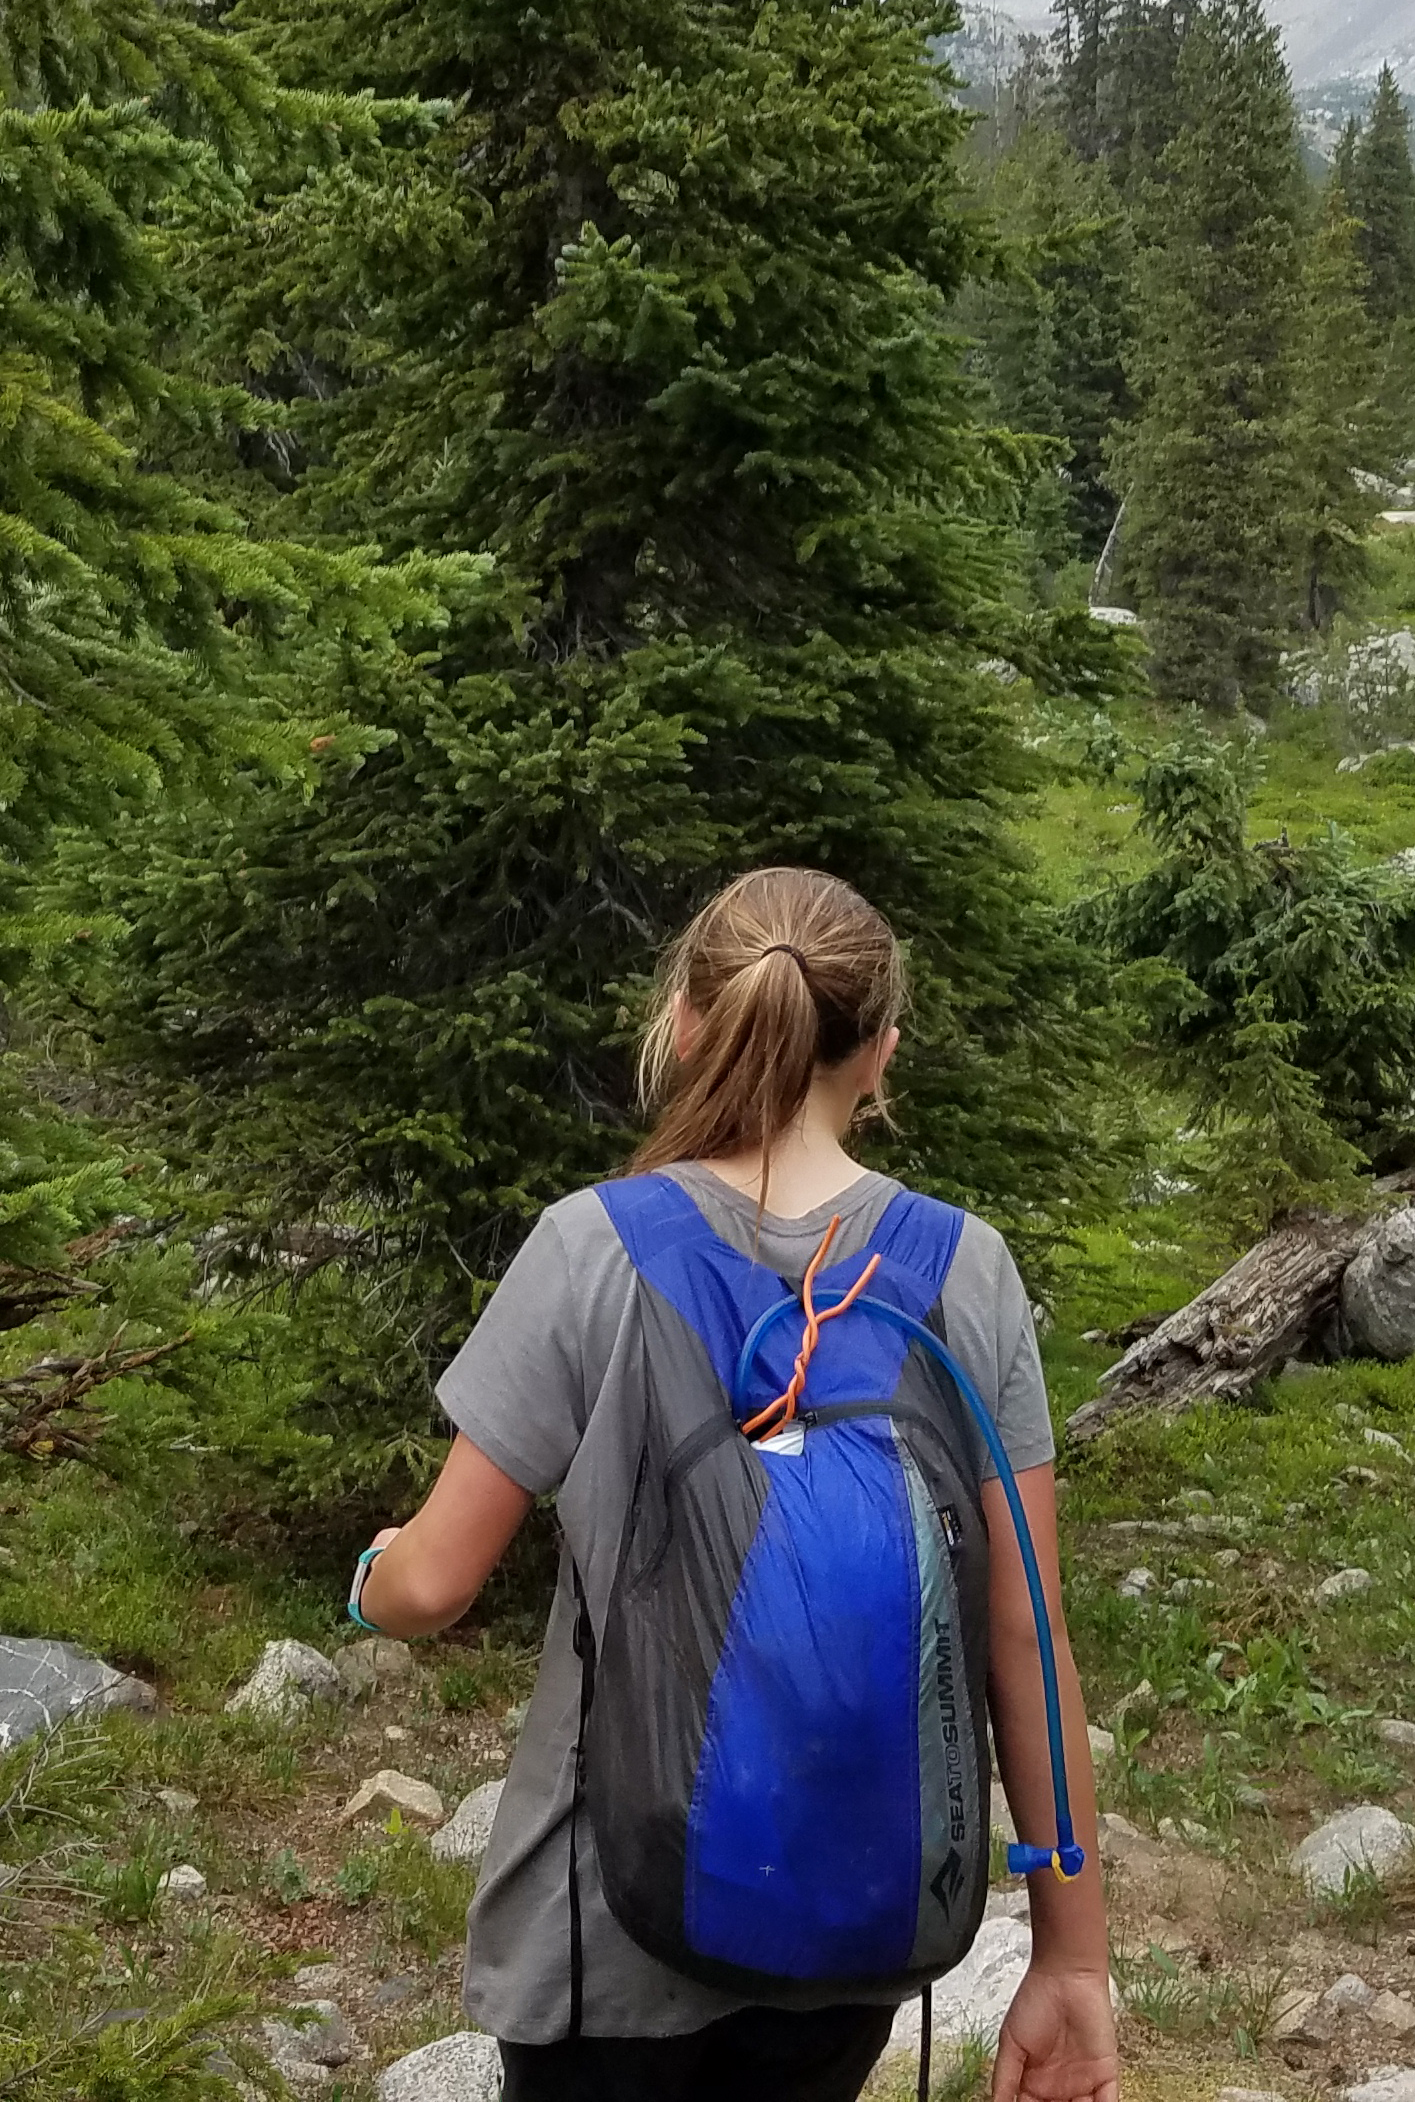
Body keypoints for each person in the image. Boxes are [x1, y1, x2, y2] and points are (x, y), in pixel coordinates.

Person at [348, 867, 1122, 2102]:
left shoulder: (591, 1247)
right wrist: (1071, 1957)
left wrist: (369, 1579)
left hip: (601, 1931)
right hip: (857, 1921)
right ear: (878, 1054)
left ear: (688, 1022)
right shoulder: (961, 1268)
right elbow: (1025, 1630)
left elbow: (432, 1585)